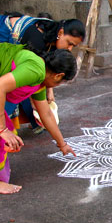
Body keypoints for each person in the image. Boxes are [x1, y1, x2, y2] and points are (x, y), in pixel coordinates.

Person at [0, 42, 77, 194]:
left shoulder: (40, 80)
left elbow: (46, 114)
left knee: (6, 137)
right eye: (61, 82)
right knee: (3, 136)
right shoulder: (36, 69)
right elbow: (1, 86)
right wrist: (2, 129)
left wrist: (62, 144)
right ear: (58, 75)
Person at [0, 12, 85, 133]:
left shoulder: (51, 48)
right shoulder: (36, 46)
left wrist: (49, 91)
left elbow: (48, 72)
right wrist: (2, 129)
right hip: (5, 47)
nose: (70, 48)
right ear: (60, 33)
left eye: (73, 46)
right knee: (15, 95)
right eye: (69, 43)